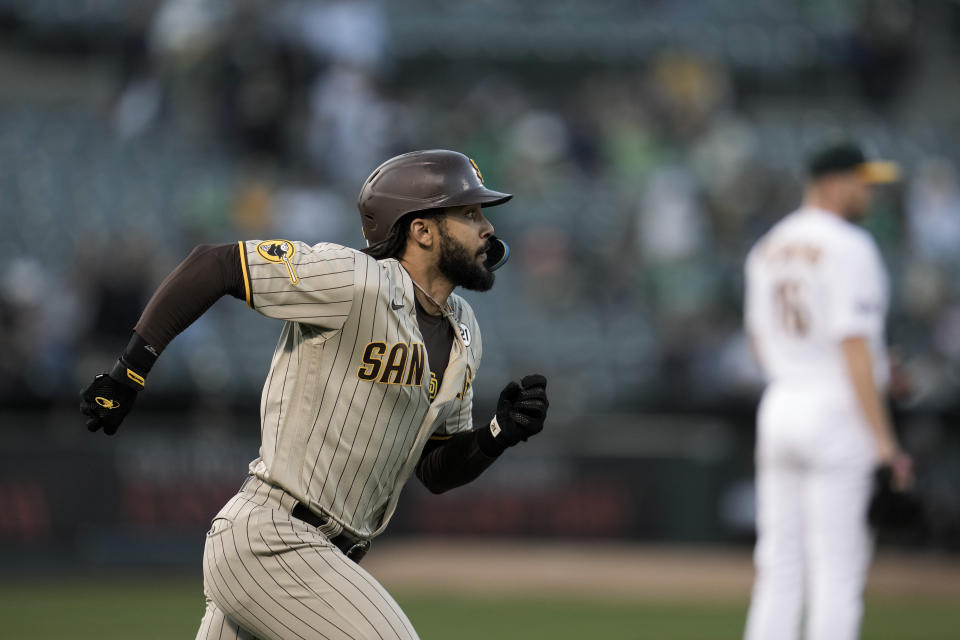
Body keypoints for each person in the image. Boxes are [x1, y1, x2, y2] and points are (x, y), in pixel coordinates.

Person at [80, 149, 549, 640]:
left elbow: (434, 469)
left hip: (317, 559)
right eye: (470, 213)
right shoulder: (354, 279)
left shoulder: (465, 332)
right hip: (273, 537)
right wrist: (129, 371)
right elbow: (215, 264)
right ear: (422, 230)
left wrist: (497, 434)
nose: (488, 228)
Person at [742, 142, 914, 640]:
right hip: (837, 408)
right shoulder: (850, 245)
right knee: (838, 573)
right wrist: (886, 445)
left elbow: (759, 344)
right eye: (863, 182)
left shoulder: (768, 245)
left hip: (780, 402)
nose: (870, 193)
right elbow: (854, 346)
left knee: (778, 566)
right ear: (835, 182)